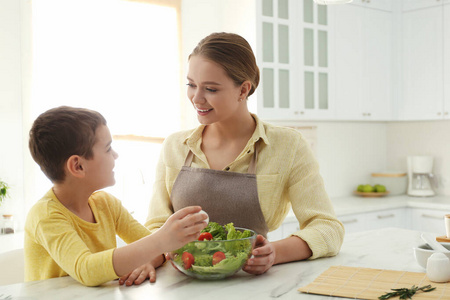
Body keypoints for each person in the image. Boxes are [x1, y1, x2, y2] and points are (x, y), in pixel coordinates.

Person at [145, 32, 345, 276]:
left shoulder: (287, 145)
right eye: (191, 84)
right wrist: (146, 258)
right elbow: (155, 227)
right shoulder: (175, 146)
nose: (196, 98)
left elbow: (327, 228)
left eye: (210, 88)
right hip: (182, 286)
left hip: (255, 286)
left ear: (243, 90)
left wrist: (274, 253)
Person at [25, 106, 207, 286]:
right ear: (78, 166)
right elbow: (86, 270)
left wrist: (150, 257)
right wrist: (160, 240)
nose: (116, 155)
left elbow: (156, 251)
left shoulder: (106, 204)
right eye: (108, 148)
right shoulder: (45, 215)